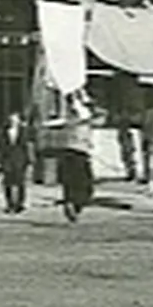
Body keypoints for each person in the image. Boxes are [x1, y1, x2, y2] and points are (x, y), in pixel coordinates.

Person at [57, 93, 95, 222]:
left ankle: (71, 203)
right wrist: (78, 96)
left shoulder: (69, 120)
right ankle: (74, 204)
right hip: (78, 153)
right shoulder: (80, 118)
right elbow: (84, 113)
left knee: (71, 183)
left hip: (72, 151)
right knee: (83, 183)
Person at [0, 109, 32, 213]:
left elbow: (27, 146)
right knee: (7, 183)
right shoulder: (3, 131)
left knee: (20, 182)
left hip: (20, 159)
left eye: (15, 119)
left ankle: (20, 203)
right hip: (7, 159)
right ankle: (9, 203)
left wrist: (29, 160)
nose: (12, 121)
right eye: (11, 119)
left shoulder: (24, 131)